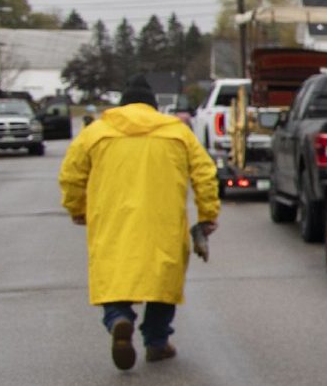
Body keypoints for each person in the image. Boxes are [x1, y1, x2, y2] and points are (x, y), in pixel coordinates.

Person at [58, 82, 219, 369]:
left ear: (121, 105)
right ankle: (156, 343)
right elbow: (205, 173)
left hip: (112, 220)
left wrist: (77, 209)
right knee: (163, 281)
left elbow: (71, 175)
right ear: (154, 108)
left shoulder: (95, 132)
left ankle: (118, 318)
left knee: (114, 275)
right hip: (164, 222)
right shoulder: (177, 132)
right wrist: (207, 214)